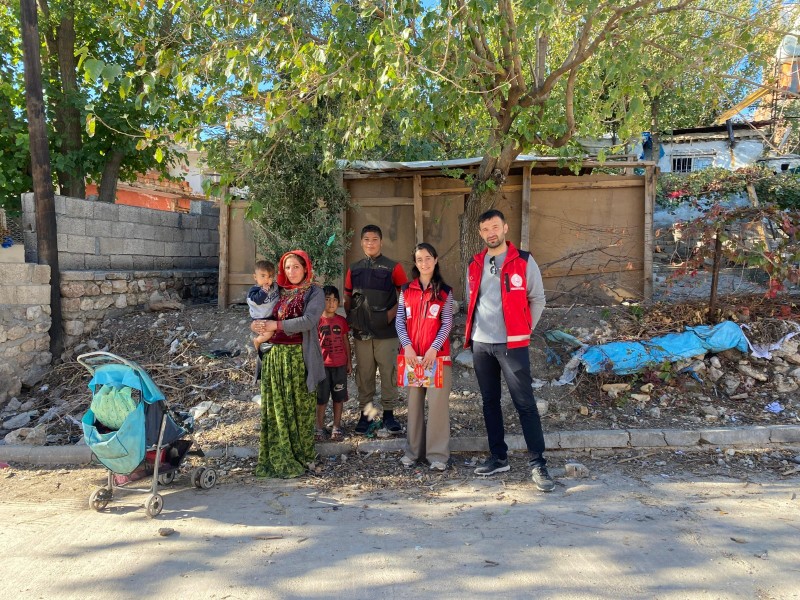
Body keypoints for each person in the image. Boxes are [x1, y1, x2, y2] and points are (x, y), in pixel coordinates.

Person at [464, 209, 555, 492]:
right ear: (480, 233)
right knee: (489, 402)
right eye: (485, 229)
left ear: (504, 228)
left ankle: (538, 463)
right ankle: (498, 457)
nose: (490, 233)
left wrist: (525, 329)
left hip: (512, 343)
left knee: (524, 403)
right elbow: (472, 299)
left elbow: (537, 299)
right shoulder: (475, 263)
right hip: (481, 344)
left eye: (495, 227)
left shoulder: (523, 260)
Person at [251, 250, 325, 478]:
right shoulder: (278, 291)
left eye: (296, 267)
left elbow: (309, 320)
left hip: (298, 358)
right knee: (277, 410)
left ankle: (302, 455)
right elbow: (262, 314)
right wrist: (256, 326)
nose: (291, 271)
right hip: (275, 358)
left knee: (300, 408)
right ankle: (279, 455)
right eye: (287, 267)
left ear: (305, 268)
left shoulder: (314, 292)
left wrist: (276, 326)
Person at [395, 243, 454, 471]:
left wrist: (434, 349)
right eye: (419, 259)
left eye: (428, 258)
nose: (424, 263)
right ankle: (413, 453)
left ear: (435, 260)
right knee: (414, 405)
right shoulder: (406, 290)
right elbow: (400, 321)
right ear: (415, 263)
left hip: (437, 358)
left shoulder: (445, 292)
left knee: (438, 407)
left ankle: (438, 456)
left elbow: (446, 323)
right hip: (412, 359)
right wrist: (407, 347)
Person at [344, 224, 408, 435]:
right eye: (366, 239)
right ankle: (367, 415)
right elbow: (347, 296)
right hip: (361, 332)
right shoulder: (354, 268)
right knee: (365, 373)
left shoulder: (393, 267)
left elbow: (405, 295)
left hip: (387, 332)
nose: (370, 243)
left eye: (374, 239)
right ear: (361, 242)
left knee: (388, 372)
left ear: (381, 242)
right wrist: (352, 318)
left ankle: (389, 415)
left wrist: (390, 315)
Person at [316, 285, 352, 442]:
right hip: (322, 367)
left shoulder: (341, 321)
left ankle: (336, 426)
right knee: (321, 399)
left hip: (340, 366)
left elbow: (346, 342)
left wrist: (349, 362)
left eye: (335, 300)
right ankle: (319, 427)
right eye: (327, 299)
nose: (331, 303)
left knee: (338, 397)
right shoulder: (316, 321)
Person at [247, 260, 280, 353]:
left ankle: (266, 343)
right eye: (263, 276)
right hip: (261, 318)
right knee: (269, 332)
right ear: (255, 277)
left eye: (270, 276)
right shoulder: (254, 290)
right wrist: (264, 291)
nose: (266, 279)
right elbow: (258, 300)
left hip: (271, 316)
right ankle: (258, 341)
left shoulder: (274, 286)